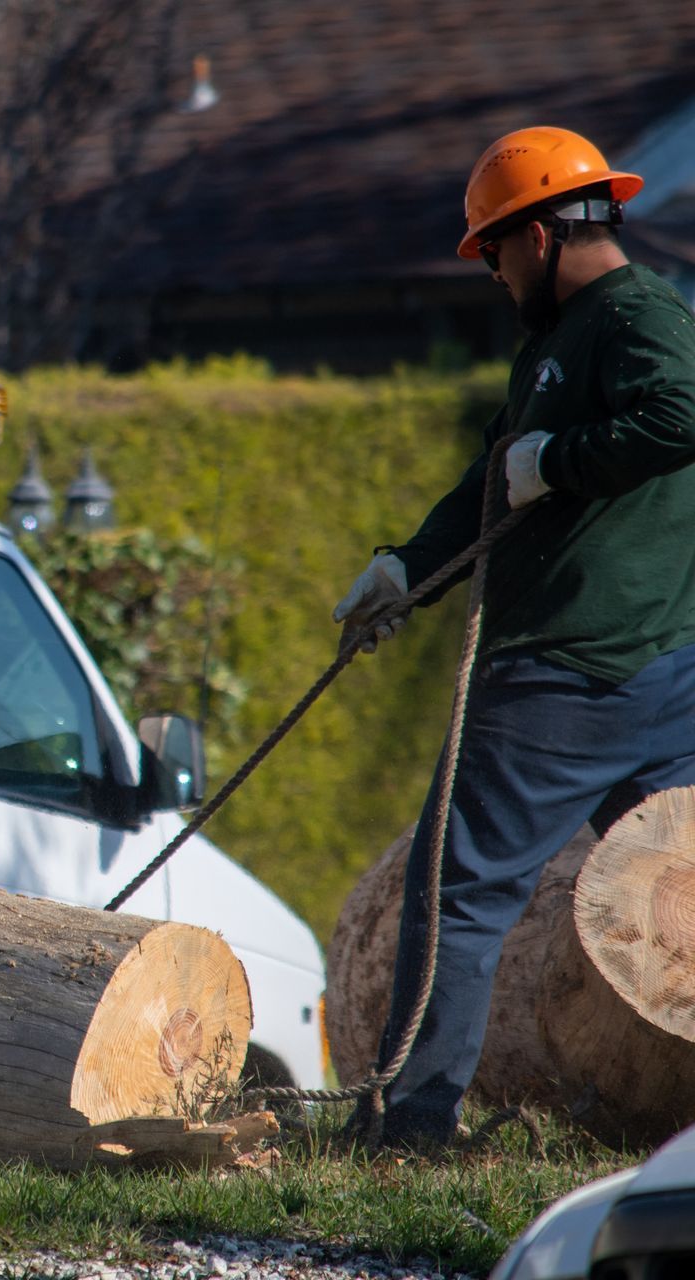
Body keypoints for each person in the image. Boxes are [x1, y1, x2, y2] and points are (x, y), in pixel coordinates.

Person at [332, 127, 695, 1151]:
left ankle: (410, 1127)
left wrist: (563, 461)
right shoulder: (567, 339)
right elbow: (502, 476)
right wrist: (409, 566)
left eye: (493, 252)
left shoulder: (634, 316)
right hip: (657, 677)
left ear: (537, 236)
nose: (493, 274)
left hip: (564, 682)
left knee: (454, 897)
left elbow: (685, 411)